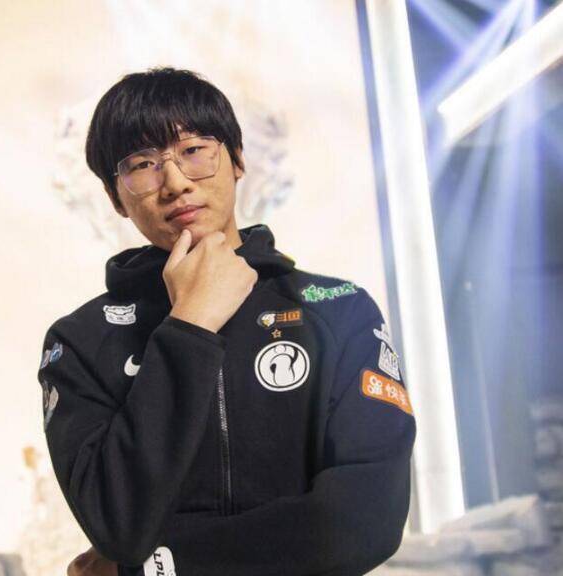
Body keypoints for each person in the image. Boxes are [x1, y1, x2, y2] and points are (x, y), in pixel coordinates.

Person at [37, 67, 417, 576]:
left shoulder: (337, 309)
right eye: (143, 165)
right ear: (115, 197)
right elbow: (117, 523)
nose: (175, 183)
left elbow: (364, 519)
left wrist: (155, 568)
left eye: (194, 150)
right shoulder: (81, 341)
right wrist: (190, 323)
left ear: (237, 160)